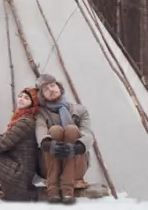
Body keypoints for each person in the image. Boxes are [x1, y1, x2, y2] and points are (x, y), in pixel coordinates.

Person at [35, 74, 93, 205]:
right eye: (45, 89)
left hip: (76, 164)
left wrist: (76, 148)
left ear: (59, 87)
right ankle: (53, 189)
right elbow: (41, 130)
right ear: (42, 96)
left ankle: (68, 189)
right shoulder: (41, 113)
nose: (51, 90)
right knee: (55, 130)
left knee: (72, 129)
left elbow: (88, 134)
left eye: (53, 85)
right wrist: (48, 145)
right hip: (50, 167)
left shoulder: (80, 110)